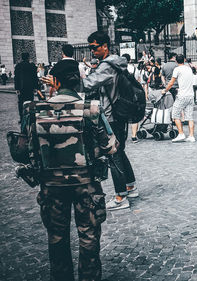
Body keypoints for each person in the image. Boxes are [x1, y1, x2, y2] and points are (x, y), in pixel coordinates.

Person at [36, 57, 117, 281]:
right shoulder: (90, 109)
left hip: (51, 186)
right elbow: (110, 146)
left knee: (56, 237)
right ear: (80, 79)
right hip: (86, 184)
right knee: (89, 237)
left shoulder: (37, 109)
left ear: (54, 81)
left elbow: (23, 151)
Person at [77, 31, 138, 210]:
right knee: (120, 151)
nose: (92, 51)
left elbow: (86, 85)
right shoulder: (117, 62)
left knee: (113, 154)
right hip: (121, 113)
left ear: (105, 46)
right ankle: (130, 186)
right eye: (90, 48)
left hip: (111, 116)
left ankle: (121, 198)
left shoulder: (107, 66)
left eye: (94, 47)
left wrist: (62, 82)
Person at [164, 54, 196, 142]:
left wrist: (165, 90)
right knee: (190, 117)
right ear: (184, 60)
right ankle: (191, 136)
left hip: (182, 95)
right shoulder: (189, 68)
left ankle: (181, 133)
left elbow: (171, 83)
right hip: (190, 95)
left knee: (175, 114)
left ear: (176, 61)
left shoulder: (177, 69)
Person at [14, 52, 38, 124]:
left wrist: (17, 88)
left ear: (22, 57)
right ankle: (30, 117)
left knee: (21, 102)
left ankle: (22, 118)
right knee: (30, 102)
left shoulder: (18, 66)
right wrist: (35, 87)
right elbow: (35, 77)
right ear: (28, 57)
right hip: (30, 87)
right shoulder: (32, 66)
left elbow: (16, 78)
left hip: (21, 87)